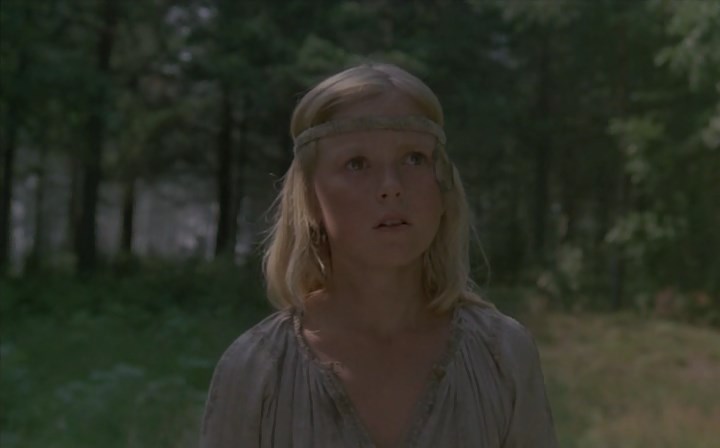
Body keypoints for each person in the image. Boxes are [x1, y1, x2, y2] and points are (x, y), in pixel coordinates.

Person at [200, 63, 558, 448]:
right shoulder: (257, 369)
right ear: (310, 199)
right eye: (356, 164)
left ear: (443, 188)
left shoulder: (502, 355)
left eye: (414, 159)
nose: (391, 186)